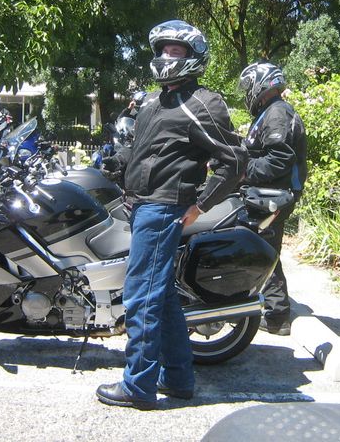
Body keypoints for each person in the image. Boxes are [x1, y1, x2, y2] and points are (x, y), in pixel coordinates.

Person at [96, 20, 247, 410]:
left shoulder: (203, 102)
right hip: (140, 204)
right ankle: (178, 378)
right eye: (162, 49)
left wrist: (201, 204)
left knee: (141, 296)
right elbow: (145, 150)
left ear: (193, 57)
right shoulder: (153, 101)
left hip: (163, 208)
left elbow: (234, 161)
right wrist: (117, 163)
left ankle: (138, 386)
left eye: (175, 51)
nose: (166, 56)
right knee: (161, 298)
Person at [238, 62, 307, 336]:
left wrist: (243, 171)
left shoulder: (278, 112)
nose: (247, 92)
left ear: (262, 84)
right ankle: (273, 307)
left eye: (248, 85)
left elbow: (278, 159)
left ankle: (278, 317)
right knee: (263, 246)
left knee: (264, 249)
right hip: (267, 192)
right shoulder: (269, 112)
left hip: (274, 195)